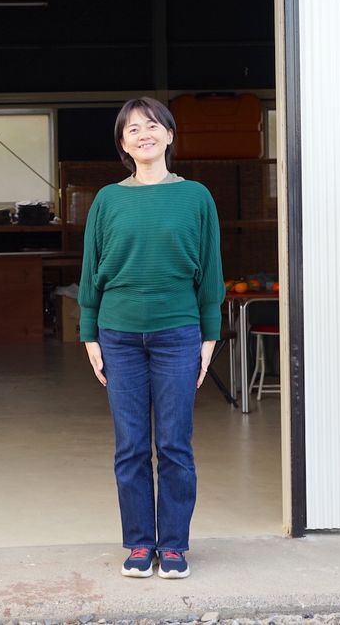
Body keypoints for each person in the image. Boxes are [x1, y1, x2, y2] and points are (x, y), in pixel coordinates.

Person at [78, 97, 224, 580]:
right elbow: (90, 271)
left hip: (178, 333)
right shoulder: (107, 200)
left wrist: (208, 336)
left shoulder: (196, 197)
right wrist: (89, 333)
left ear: (169, 134)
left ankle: (174, 545)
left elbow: (211, 271)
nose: (144, 134)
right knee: (131, 447)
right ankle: (140, 543)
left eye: (152, 125)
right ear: (123, 144)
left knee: (175, 445)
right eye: (133, 129)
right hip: (117, 335)